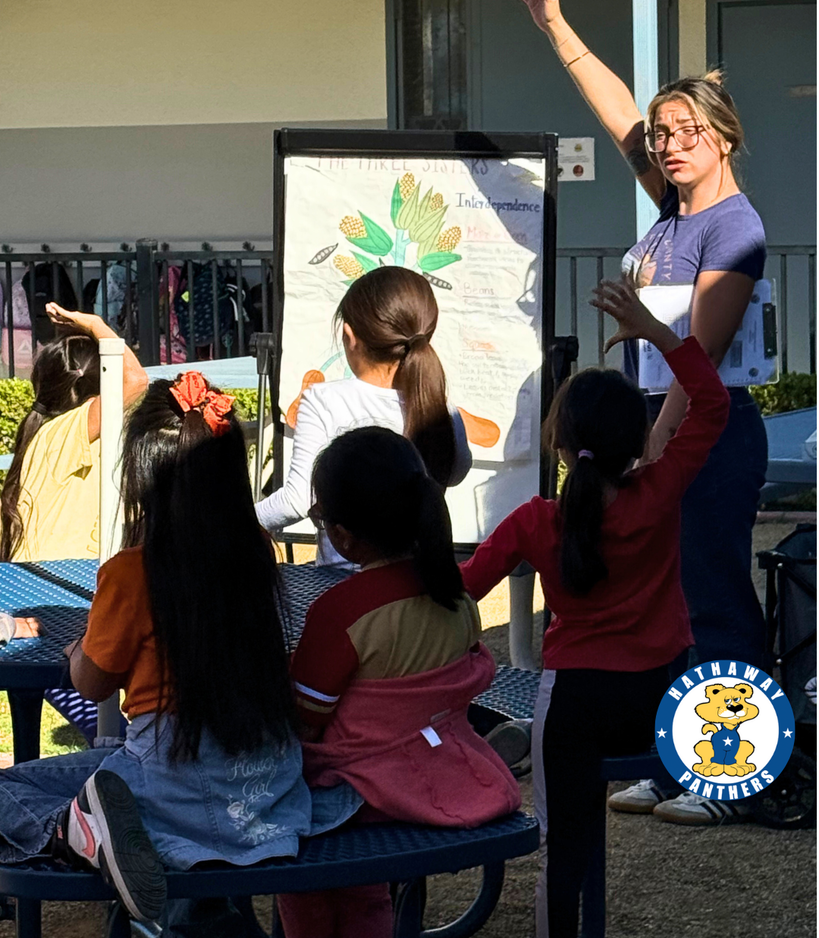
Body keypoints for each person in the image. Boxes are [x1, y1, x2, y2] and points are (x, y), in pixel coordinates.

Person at [507, 0, 769, 825]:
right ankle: (676, 759)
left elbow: (702, 360)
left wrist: (652, 457)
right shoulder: (670, 204)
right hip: (658, 433)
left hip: (703, 436)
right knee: (669, 604)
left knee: (714, 598)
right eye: (661, 135)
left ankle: (733, 780)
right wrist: (554, 23)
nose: (667, 145)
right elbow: (614, 106)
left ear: (722, 138)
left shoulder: (734, 227)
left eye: (686, 132)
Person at [0, 372, 357, 928]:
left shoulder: (131, 573)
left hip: (168, 778)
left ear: (139, 474)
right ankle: (199, 915)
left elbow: (92, 683)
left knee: (12, 790)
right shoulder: (258, 554)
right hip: (266, 786)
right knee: (117, 784)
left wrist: (77, 650)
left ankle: (75, 832)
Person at [460, 279, 730, 938]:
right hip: (661, 701)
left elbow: (462, 590)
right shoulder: (659, 491)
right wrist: (657, 333)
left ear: (558, 440)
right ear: (637, 442)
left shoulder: (533, 522)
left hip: (574, 706)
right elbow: (712, 401)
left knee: (562, 852)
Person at [277, 426, 520, 938]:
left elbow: (305, 721)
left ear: (342, 534)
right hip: (442, 768)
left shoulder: (341, 612)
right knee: (366, 896)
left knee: (296, 852)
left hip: (359, 792)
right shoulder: (456, 597)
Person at [255, 266, 471, 567]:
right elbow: (456, 472)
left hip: (345, 582)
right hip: (419, 579)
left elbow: (297, 500)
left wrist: (238, 520)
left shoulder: (324, 400)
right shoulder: (443, 409)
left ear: (349, 336)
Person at [0, 302, 147, 562]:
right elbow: (134, 381)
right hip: (54, 576)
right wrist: (94, 324)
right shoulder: (63, 430)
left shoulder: (79, 436)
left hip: (64, 571)